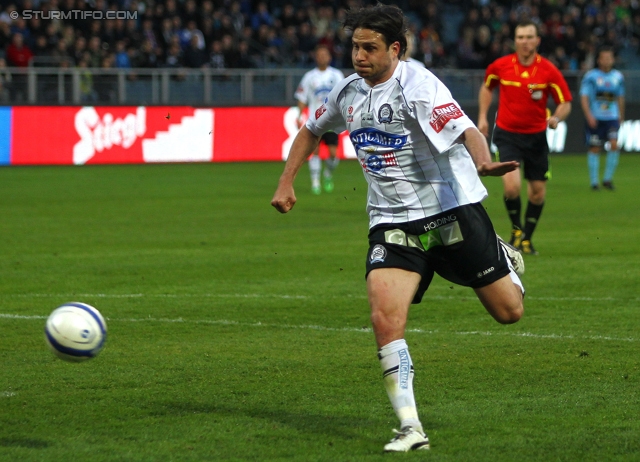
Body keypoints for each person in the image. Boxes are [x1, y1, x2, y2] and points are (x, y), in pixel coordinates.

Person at [272, 4, 525, 452]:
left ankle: (499, 254)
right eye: (354, 46)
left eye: (369, 48)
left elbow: (466, 130)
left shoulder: (419, 87)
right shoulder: (347, 92)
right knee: (384, 318)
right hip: (391, 222)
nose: (359, 55)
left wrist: (484, 161)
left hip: (449, 214)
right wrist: (287, 181)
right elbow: (312, 130)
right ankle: (410, 427)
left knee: (508, 312)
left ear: (396, 49)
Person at [477, 20, 572, 256]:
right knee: (511, 188)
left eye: (529, 37)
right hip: (507, 134)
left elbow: (565, 102)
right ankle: (516, 231)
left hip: (537, 137)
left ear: (537, 40)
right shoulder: (500, 66)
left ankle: (527, 238)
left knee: (537, 192)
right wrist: (482, 117)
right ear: (515, 40)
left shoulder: (549, 70)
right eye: (520, 37)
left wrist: (557, 119)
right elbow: (487, 87)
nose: (524, 41)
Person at [294, 44, 344, 194]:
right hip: (314, 120)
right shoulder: (309, 77)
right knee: (314, 151)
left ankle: (328, 173)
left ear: (329, 57)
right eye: (319, 55)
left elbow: (343, 97)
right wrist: (298, 115)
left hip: (332, 121)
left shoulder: (336, 75)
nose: (322, 57)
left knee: (333, 154)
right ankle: (315, 182)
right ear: (316, 57)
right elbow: (302, 98)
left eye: (325, 54)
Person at [579, 46, 624, 191]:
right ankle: (594, 182)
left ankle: (607, 179)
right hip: (596, 118)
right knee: (594, 148)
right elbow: (584, 97)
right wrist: (589, 115)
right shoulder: (591, 77)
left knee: (614, 144)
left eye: (609, 58)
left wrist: (621, 116)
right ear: (599, 60)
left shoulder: (618, 77)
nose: (607, 60)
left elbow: (620, 97)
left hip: (612, 117)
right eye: (604, 58)